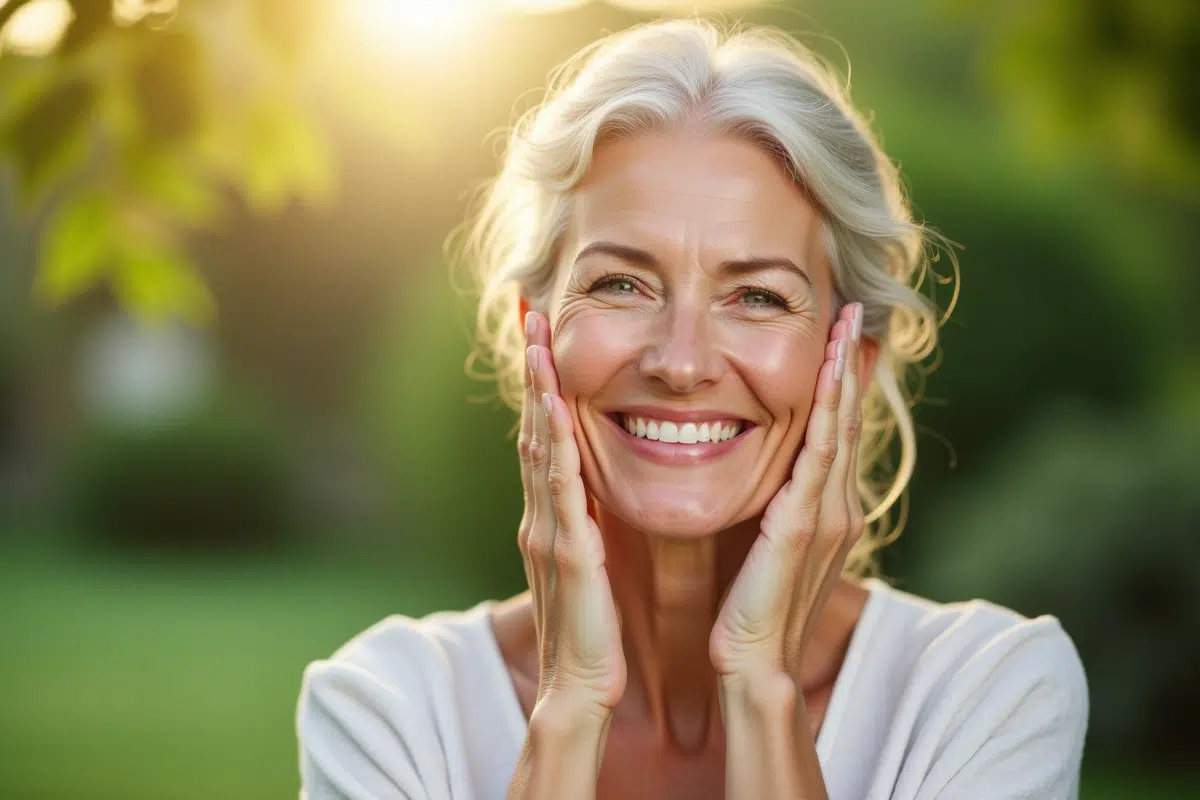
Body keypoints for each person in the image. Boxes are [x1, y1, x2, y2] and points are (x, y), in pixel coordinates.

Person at [295, 19, 1088, 800]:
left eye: (756, 296)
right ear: (531, 329)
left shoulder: (989, 694)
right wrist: (568, 706)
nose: (681, 363)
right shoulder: (386, 709)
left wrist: (761, 687)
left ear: (851, 361)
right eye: (620, 284)